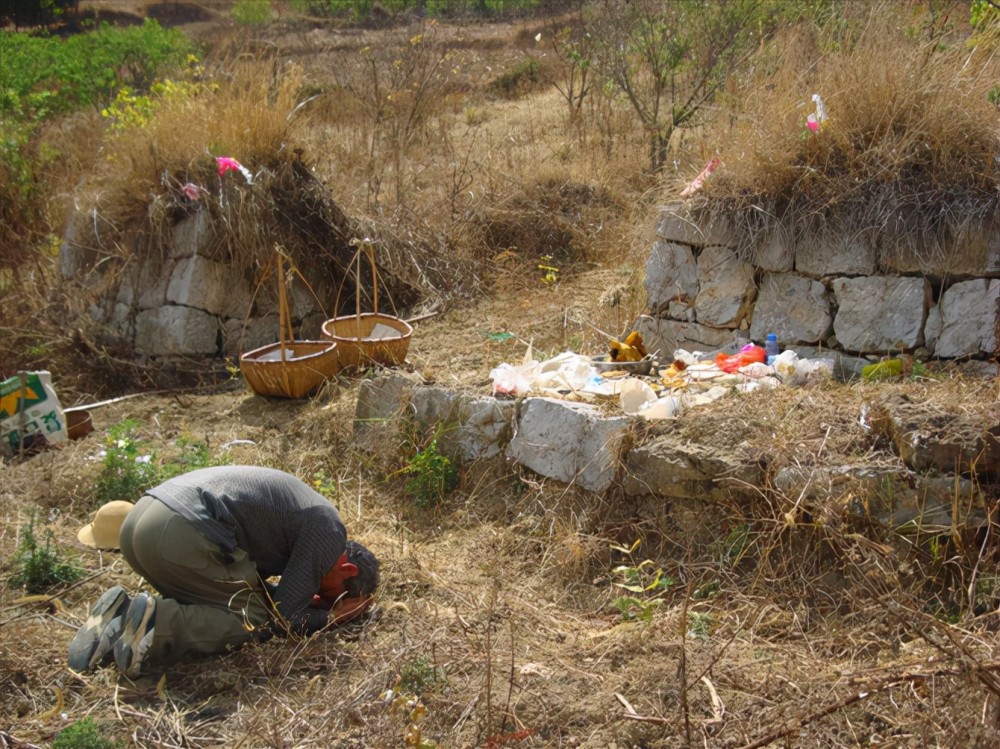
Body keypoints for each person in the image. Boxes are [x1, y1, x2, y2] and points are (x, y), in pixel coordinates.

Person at [67, 465, 379, 678]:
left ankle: (120, 622)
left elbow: (260, 592)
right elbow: (284, 617)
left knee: (228, 602)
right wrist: (332, 617)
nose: (317, 596)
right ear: (347, 567)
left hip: (142, 521)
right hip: (179, 530)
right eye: (327, 594)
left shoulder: (310, 517)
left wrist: (311, 604)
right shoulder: (329, 532)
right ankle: (154, 622)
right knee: (252, 618)